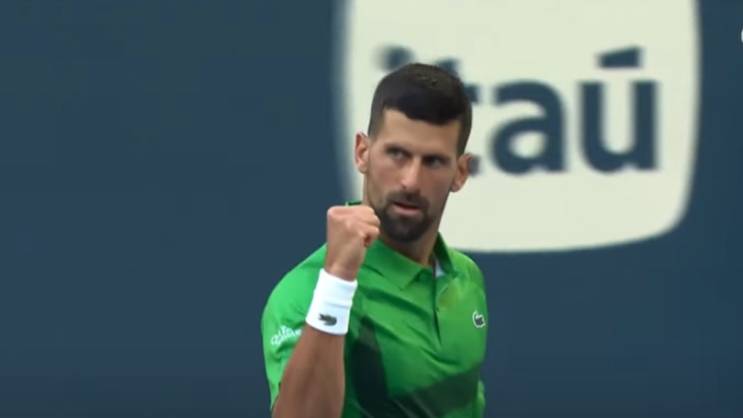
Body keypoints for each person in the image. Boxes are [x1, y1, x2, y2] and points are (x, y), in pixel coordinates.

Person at [261, 63, 488, 418]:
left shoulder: (465, 277)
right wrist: (337, 282)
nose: (411, 181)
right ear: (362, 152)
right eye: (397, 154)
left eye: (433, 161)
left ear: (460, 173)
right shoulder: (306, 292)